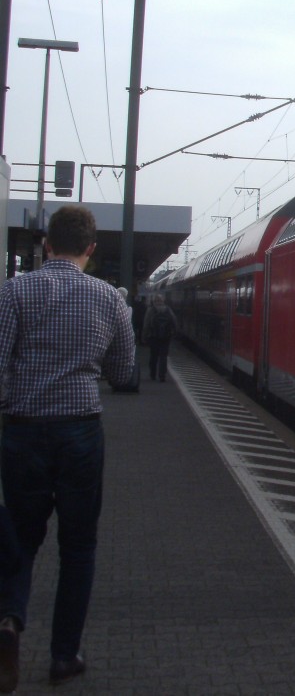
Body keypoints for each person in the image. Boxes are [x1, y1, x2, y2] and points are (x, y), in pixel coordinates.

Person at [0, 205, 136, 691]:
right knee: (78, 547)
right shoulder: (109, 298)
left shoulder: (14, 291)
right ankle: (63, 657)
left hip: (22, 431)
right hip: (80, 432)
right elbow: (123, 373)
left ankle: (9, 621)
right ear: (91, 250)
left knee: (20, 538)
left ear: (47, 244)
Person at [142, 294, 176, 382]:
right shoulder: (168, 310)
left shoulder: (151, 310)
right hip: (166, 337)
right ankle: (162, 375)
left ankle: (153, 374)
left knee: (153, 356)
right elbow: (174, 321)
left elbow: (146, 325)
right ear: (163, 301)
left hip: (153, 336)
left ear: (154, 301)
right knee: (163, 356)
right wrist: (173, 333)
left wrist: (144, 337)